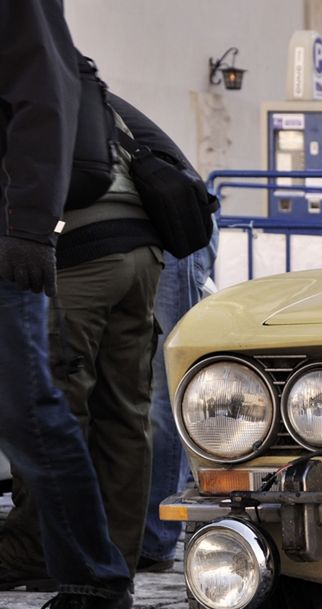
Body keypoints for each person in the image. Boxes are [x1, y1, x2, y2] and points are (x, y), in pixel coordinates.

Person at [0, 0, 132, 609]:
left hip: (4, 237)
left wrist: (28, 226)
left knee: (27, 408)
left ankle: (92, 577)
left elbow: (45, 98)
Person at [1, 85, 164, 585]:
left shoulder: (26, 80)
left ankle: (32, 549)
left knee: (51, 407)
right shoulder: (86, 85)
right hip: (142, 245)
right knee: (125, 413)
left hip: (76, 250)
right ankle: (118, 556)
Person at [104, 94, 219, 571]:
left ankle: (155, 537)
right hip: (132, 235)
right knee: (137, 387)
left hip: (173, 229)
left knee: (166, 383)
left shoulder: (64, 93)